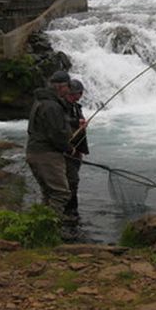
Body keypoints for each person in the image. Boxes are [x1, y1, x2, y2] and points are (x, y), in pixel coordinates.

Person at [26, 70, 74, 226]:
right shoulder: (52, 106)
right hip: (47, 155)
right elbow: (57, 134)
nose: (69, 90)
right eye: (68, 86)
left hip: (34, 151)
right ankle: (50, 227)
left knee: (48, 193)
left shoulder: (40, 101)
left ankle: (40, 225)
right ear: (60, 87)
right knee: (60, 193)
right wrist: (68, 148)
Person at [65, 79, 89, 217]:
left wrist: (81, 151)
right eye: (77, 93)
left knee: (73, 180)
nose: (78, 96)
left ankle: (72, 211)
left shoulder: (76, 107)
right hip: (68, 151)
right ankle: (70, 211)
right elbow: (62, 124)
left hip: (76, 150)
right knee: (71, 180)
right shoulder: (63, 108)